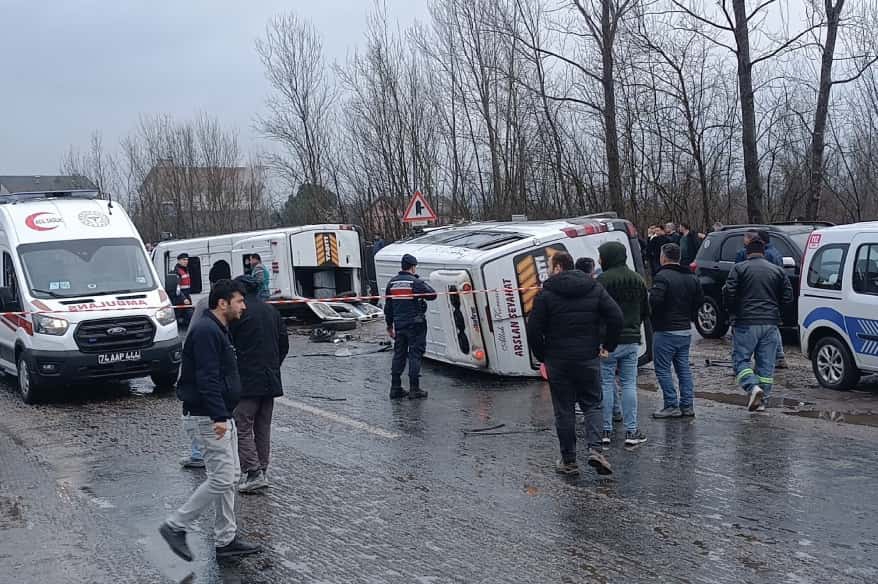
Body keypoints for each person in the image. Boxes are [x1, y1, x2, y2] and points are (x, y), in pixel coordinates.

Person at [159, 279, 262, 562]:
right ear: (222, 303)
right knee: (221, 479)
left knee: (229, 479)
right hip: (208, 417)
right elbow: (207, 378)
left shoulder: (217, 328)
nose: (244, 306)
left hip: (219, 414)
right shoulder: (206, 331)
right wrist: (218, 415)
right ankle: (175, 526)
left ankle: (226, 539)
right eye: (239, 301)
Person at [526, 251, 623, 477]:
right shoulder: (594, 288)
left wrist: (543, 356)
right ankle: (595, 450)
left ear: (558, 267)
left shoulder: (546, 294)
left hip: (558, 360)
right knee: (592, 404)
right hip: (587, 357)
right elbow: (616, 316)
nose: (549, 270)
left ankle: (569, 460)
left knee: (564, 410)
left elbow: (533, 329)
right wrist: (608, 345)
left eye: (551, 266)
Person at [230, 275, 289, 493]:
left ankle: (253, 472)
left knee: (242, 423)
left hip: (247, 380)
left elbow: (229, 344)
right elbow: (284, 343)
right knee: (263, 427)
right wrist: (274, 365)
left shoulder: (240, 312)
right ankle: (262, 470)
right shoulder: (271, 311)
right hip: (270, 378)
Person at [723, 239, 794, 412]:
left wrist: (733, 312)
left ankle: (752, 387)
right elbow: (788, 296)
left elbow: (728, 292)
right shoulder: (777, 270)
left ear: (747, 252)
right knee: (766, 365)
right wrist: (777, 312)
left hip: (745, 322)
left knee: (740, 361)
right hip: (770, 323)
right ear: (764, 251)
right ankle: (762, 401)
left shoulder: (739, 268)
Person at [179, 260, 232, 470]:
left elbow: (192, 334)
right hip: (227, 370)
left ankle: (198, 453)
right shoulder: (235, 300)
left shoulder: (204, 304)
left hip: (207, 366)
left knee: (199, 410)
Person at [597, 242, 649, 446]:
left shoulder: (602, 281)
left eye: (601, 256)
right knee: (629, 384)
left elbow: (596, 310)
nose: (599, 259)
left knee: (607, 384)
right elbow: (646, 311)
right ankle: (631, 430)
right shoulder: (638, 279)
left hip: (608, 342)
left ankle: (606, 430)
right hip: (631, 340)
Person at [650, 243, 704, 418]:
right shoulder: (691, 277)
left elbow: (655, 302)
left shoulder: (662, 277)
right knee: (683, 369)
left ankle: (671, 404)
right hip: (684, 330)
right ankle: (687, 405)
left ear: (663, 257)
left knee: (663, 369)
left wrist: (653, 318)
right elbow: (700, 301)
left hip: (665, 330)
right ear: (679, 257)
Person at [385, 254, 437, 399]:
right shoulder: (415, 282)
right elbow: (432, 295)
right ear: (413, 267)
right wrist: (420, 281)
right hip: (416, 325)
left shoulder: (392, 283)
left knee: (399, 355)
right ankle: (414, 389)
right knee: (415, 355)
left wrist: (389, 325)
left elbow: (388, 307)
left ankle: (395, 388)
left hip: (399, 325)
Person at [735, 230, 788, 368]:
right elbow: (785, 289)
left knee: (745, 350)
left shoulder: (764, 256)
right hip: (771, 302)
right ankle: (779, 357)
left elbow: (731, 290)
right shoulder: (776, 253)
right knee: (772, 330)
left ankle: (749, 379)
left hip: (756, 304)